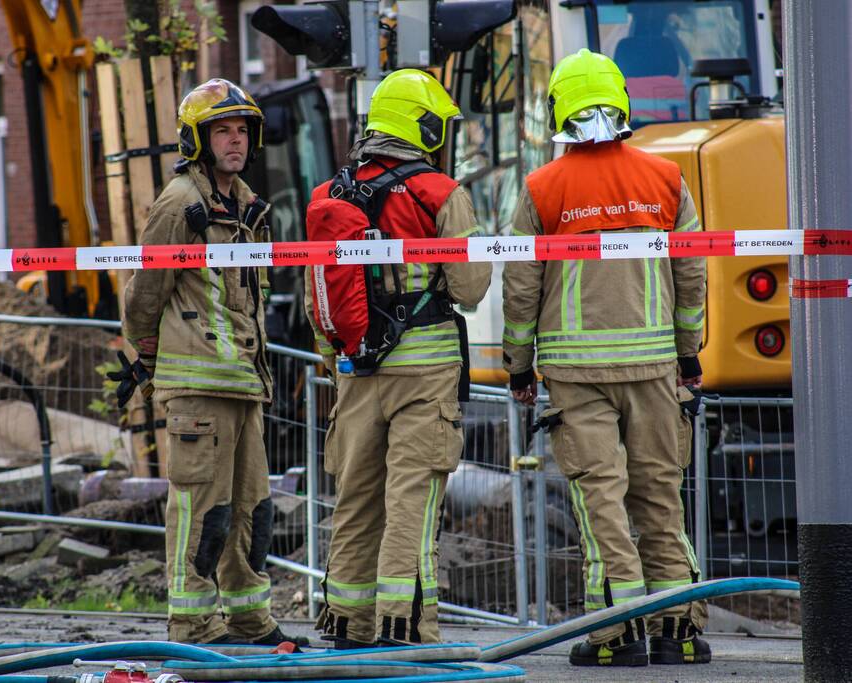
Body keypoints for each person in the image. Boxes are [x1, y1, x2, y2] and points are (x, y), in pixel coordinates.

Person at [502, 49, 709, 667]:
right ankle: (680, 633)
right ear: (622, 103)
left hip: (574, 375)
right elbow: (691, 271)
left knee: (603, 505)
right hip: (653, 370)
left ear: (558, 108)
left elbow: (521, 286)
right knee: (659, 498)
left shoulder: (542, 186)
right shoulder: (666, 178)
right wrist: (688, 356)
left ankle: (616, 637)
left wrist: (518, 364)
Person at [305, 69, 491, 648]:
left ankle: (347, 626)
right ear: (424, 126)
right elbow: (470, 288)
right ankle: (402, 627)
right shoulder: (439, 193)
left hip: (356, 371)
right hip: (424, 372)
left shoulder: (330, 194)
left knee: (356, 498)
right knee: (412, 497)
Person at [122, 78, 300, 647]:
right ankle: (192, 624)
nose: (234, 141)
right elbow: (144, 293)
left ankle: (249, 620)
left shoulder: (246, 205)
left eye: (242, 130)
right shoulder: (179, 205)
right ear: (196, 139)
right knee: (200, 512)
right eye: (222, 130)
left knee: (251, 511)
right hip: (200, 386)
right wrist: (149, 357)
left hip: (243, 384)